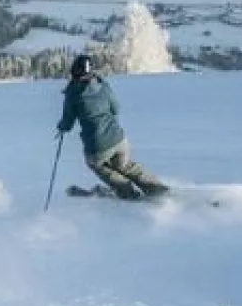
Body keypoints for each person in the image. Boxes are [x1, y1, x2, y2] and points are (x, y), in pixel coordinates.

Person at [56, 54, 168, 199]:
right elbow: (116, 108)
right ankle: (157, 189)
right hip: (119, 139)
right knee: (125, 165)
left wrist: (61, 128)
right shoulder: (103, 85)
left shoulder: (73, 94)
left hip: (97, 146)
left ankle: (127, 192)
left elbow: (67, 122)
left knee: (97, 164)